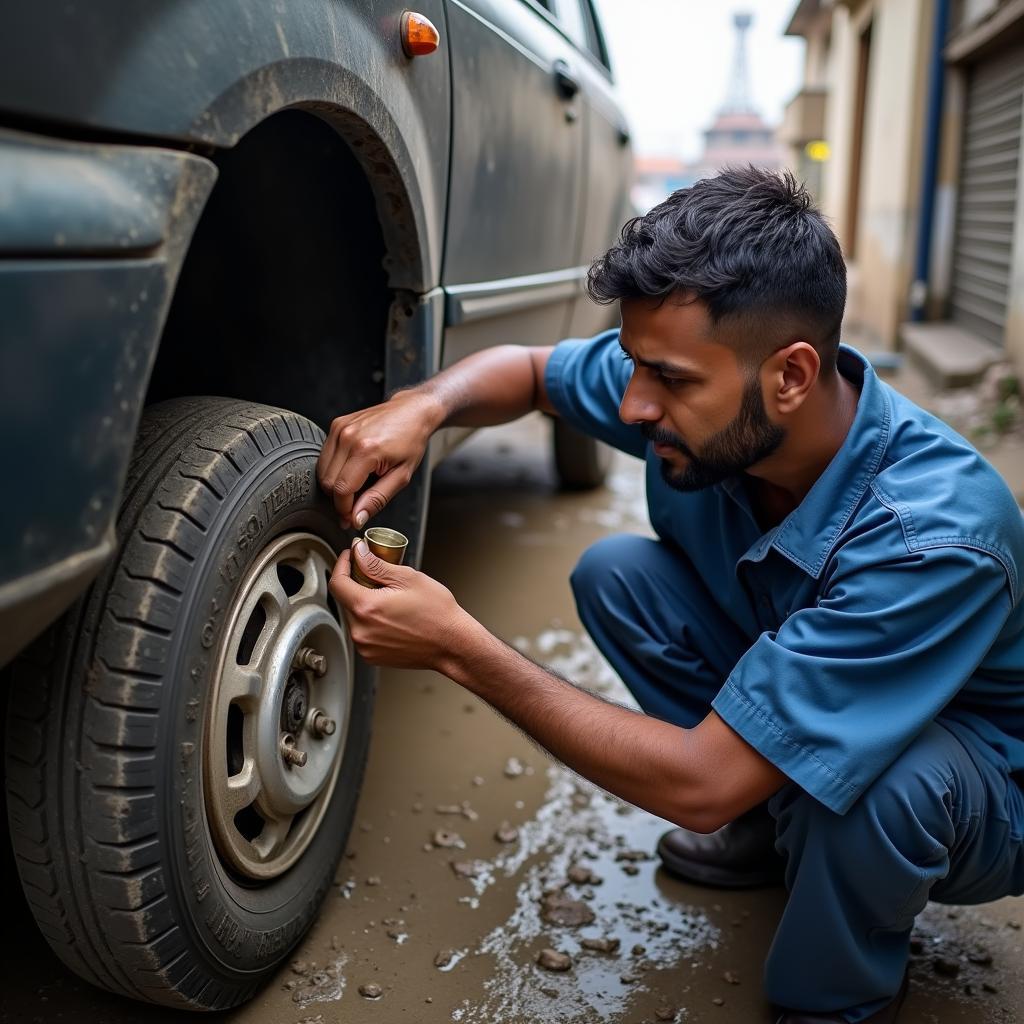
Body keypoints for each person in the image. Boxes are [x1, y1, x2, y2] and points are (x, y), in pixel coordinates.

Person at [316, 167, 1024, 1024]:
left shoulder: (932, 535)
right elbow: (532, 370)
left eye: (669, 379)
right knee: (619, 575)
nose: (631, 403)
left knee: (881, 787)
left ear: (791, 376)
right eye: (629, 363)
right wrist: (423, 406)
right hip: (819, 692)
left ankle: (836, 1001)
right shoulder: (706, 396)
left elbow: (699, 783)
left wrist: (455, 646)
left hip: (977, 784)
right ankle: (770, 830)